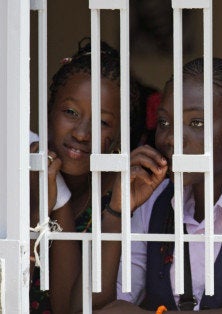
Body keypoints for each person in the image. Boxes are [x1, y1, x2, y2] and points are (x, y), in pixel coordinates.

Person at [99, 57, 222, 312]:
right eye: (164, 122)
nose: (171, 138)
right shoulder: (155, 196)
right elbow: (100, 306)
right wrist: (117, 211)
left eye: (196, 123)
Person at [28, 39, 136, 312]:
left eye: (102, 122)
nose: (81, 133)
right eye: (70, 113)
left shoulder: (128, 198)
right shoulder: (16, 171)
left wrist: (59, 200)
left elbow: (68, 309)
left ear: (120, 135)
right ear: (49, 111)